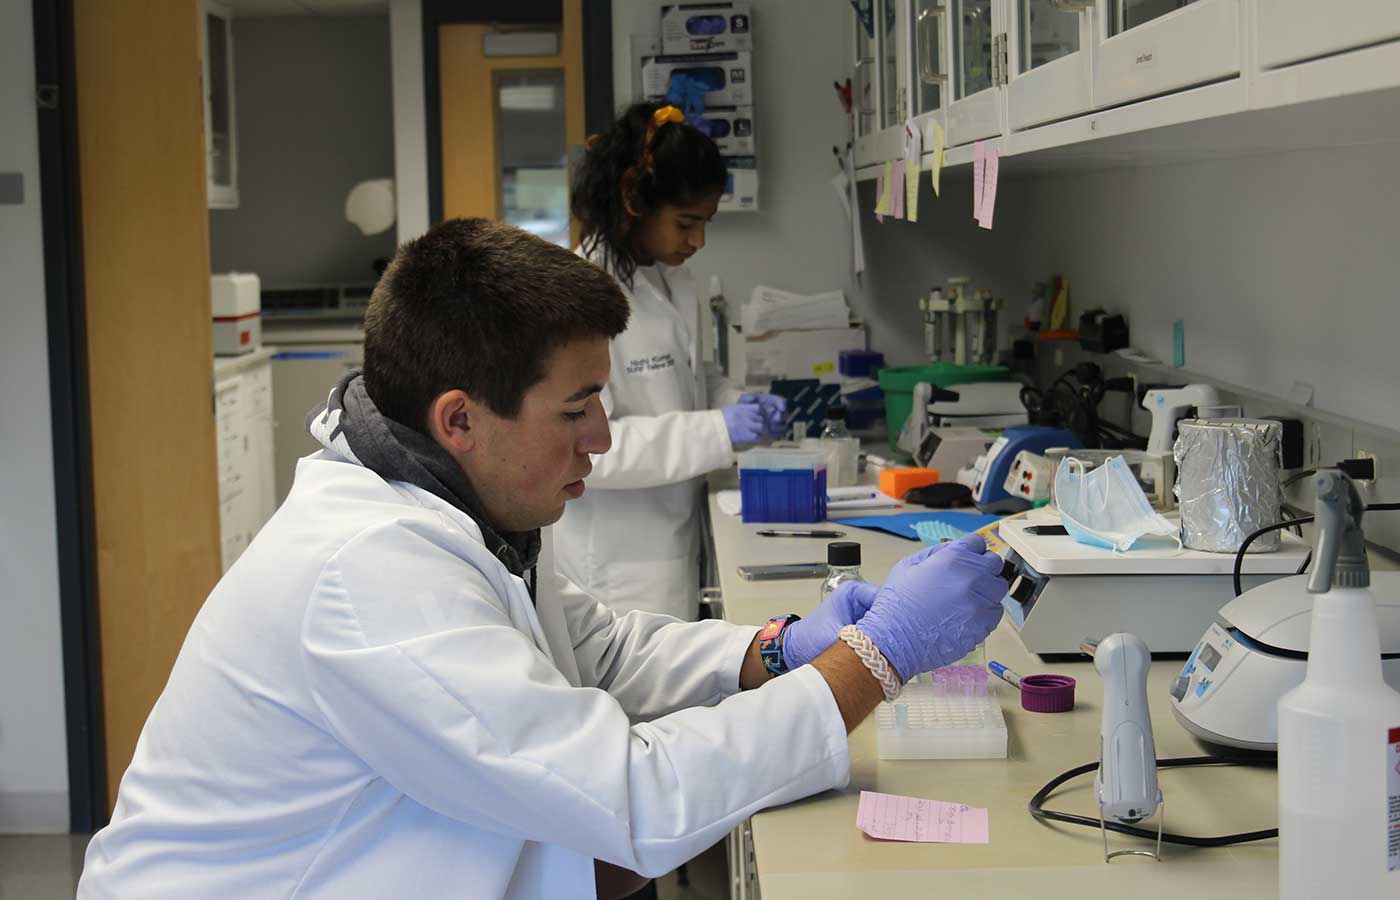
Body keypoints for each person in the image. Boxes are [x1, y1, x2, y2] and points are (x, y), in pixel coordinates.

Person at [76, 219, 1009, 900]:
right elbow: (637, 798)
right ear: (460, 419)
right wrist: (877, 657)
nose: (603, 438)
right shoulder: (365, 578)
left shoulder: (446, 502)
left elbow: (589, 646)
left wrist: (770, 650)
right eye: (576, 409)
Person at [557, 101, 787, 619]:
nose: (698, 241)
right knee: (629, 694)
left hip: (675, 537)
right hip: (618, 561)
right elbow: (588, 449)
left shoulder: (672, 281)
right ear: (634, 202)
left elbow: (692, 376)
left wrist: (736, 402)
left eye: (706, 222)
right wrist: (720, 431)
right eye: (686, 222)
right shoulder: (580, 297)